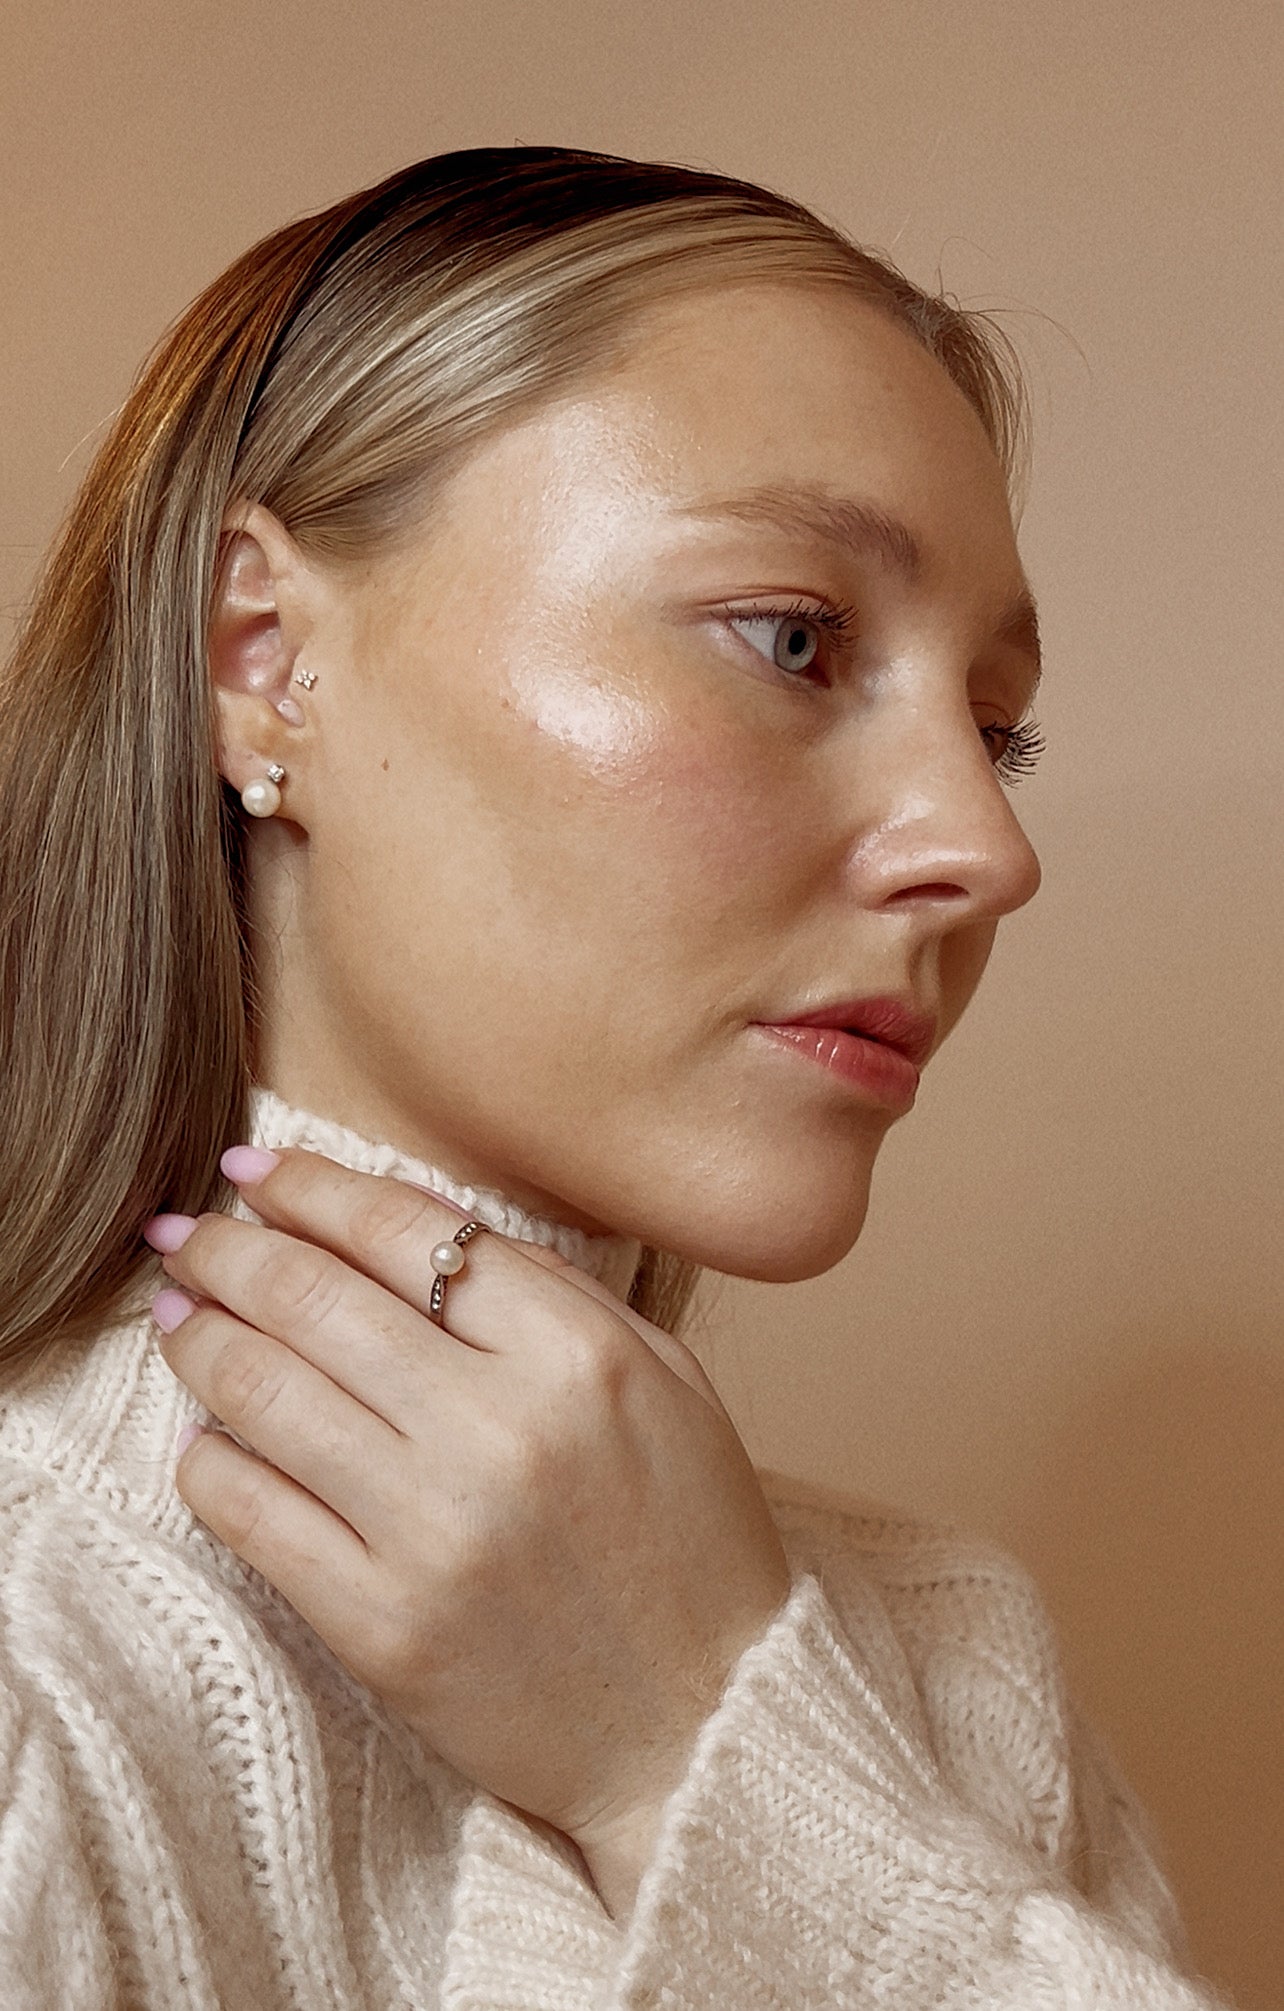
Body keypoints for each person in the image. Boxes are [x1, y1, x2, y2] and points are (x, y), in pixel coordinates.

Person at [0, 147, 1236, 2008]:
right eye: (795, 639)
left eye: (999, 734)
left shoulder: (962, 1677)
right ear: (264, 659)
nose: (987, 851)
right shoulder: (34, 1668)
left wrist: (698, 1752)